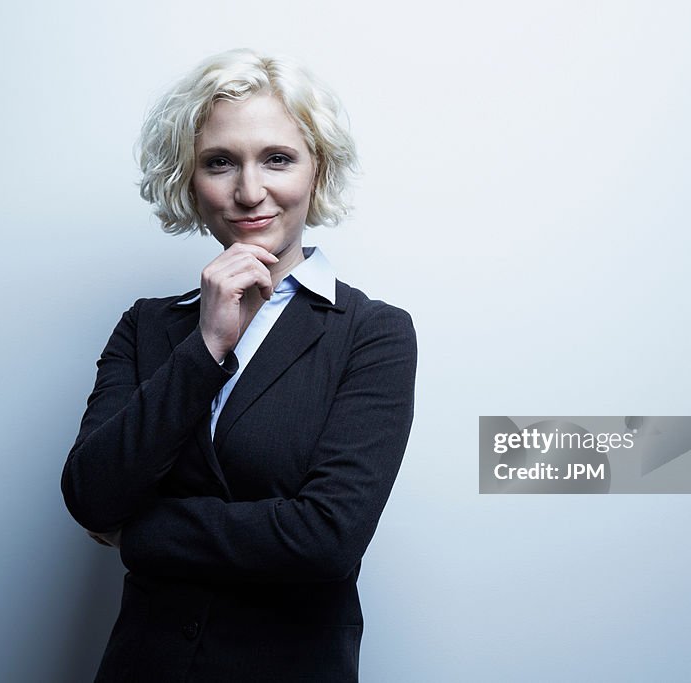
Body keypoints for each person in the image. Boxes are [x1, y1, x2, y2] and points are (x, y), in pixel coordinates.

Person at [60, 48, 417, 682]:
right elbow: (91, 496)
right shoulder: (147, 326)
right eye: (220, 163)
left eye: (277, 159)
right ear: (188, 180)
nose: (250, 191)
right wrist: (204, 347)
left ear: (317, 170)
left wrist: (139, 535)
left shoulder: (373, 334)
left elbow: (326, 539)